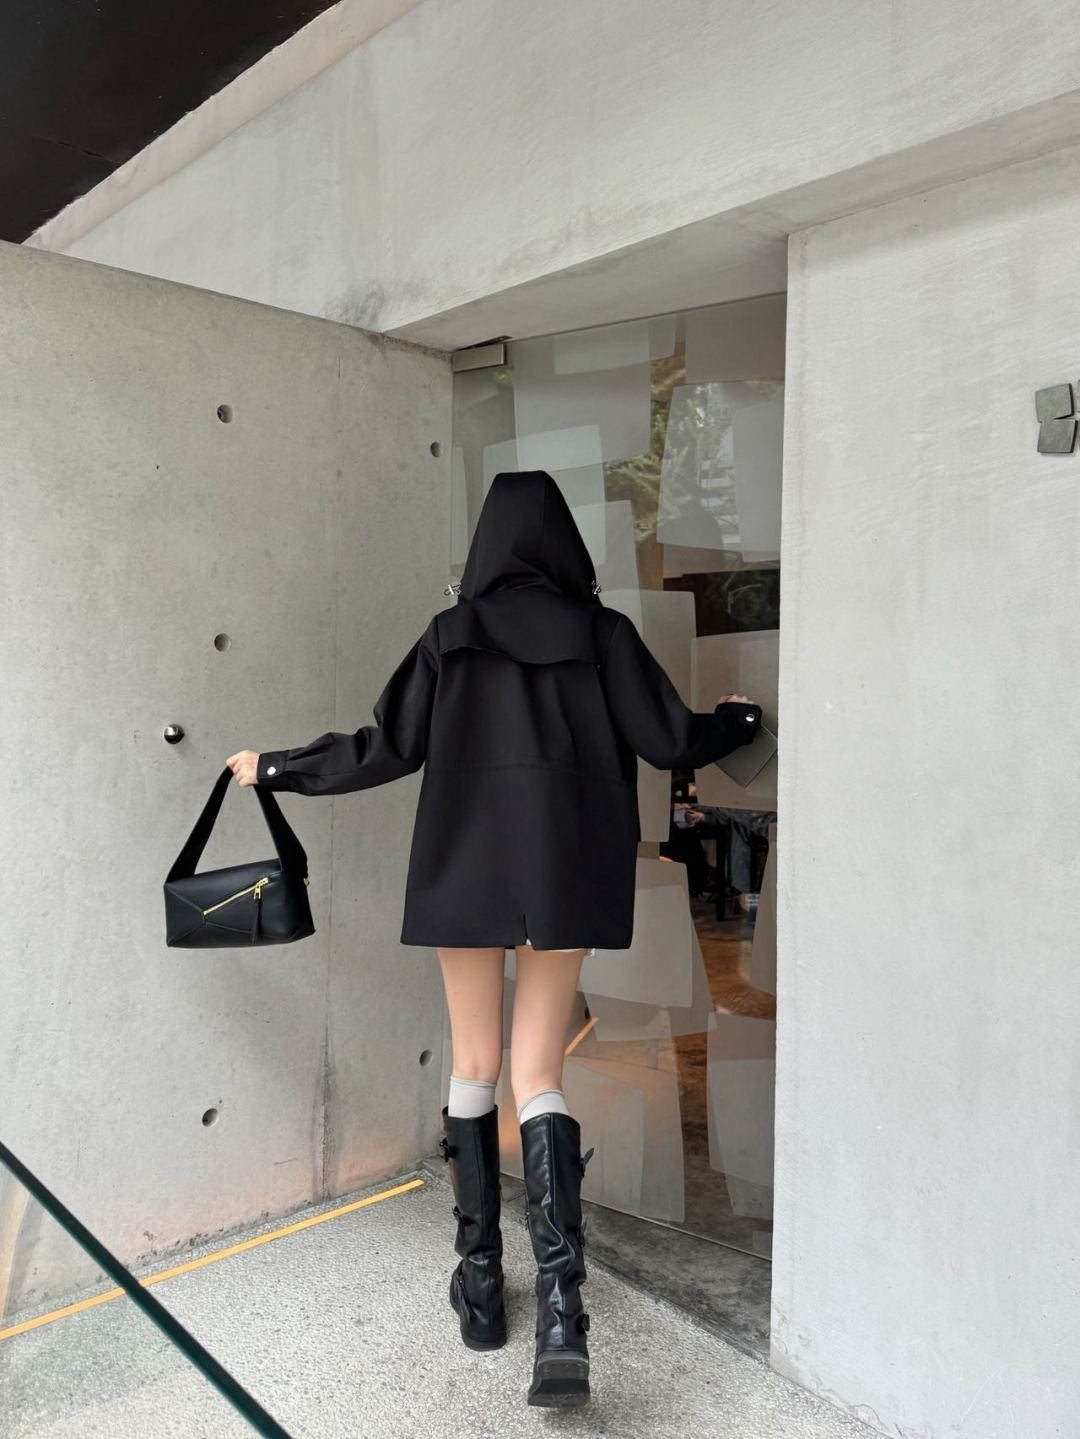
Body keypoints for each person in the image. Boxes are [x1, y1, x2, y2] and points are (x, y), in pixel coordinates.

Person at [226, 470, 761, 1409]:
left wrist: (276, 767)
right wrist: (739, 721)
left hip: (465, 871)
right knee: (538, 1072)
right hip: (562, 870)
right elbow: (671, 738)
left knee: (473, 1063)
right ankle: (562, 1315)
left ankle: (480, 1287)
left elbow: (385, 746)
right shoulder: (602, 634)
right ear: (563, 544)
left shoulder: (452, 635)